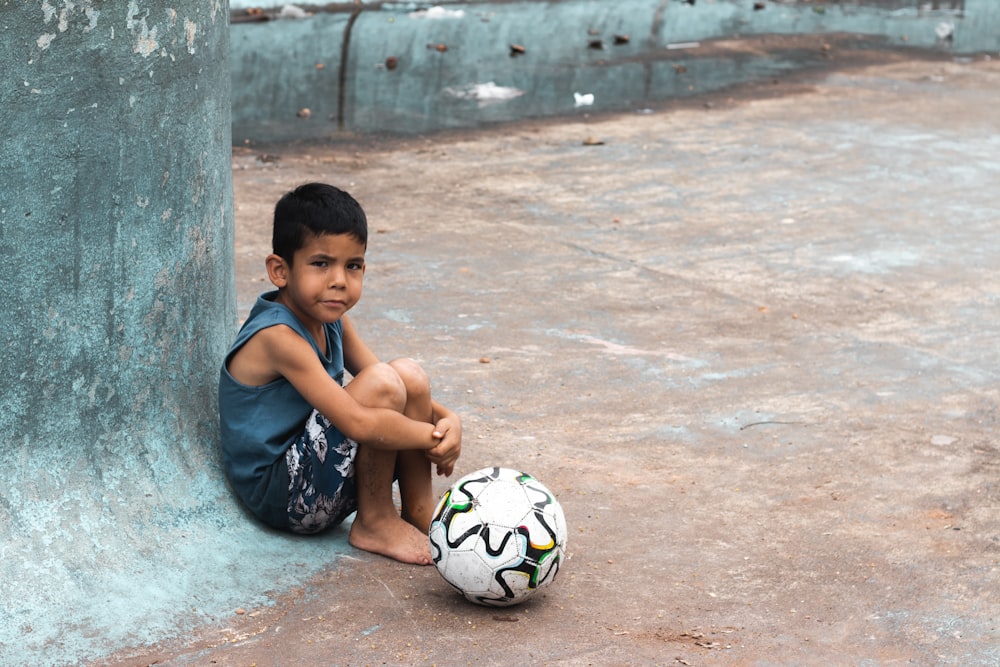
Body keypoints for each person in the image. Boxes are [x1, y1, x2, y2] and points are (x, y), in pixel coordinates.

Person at [218, 182, 462, 565]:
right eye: (321, 264)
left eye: (353, 266)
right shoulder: (277, 336)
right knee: (382, 385)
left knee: (407, 374)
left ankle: (419, 512)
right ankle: (376, 520)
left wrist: (448, 419)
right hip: (284, 496)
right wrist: (431, 438)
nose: (339, 281)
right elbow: (360, 422)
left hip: (316, 474)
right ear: (280, 270)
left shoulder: (331, 319)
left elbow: (402, 388)